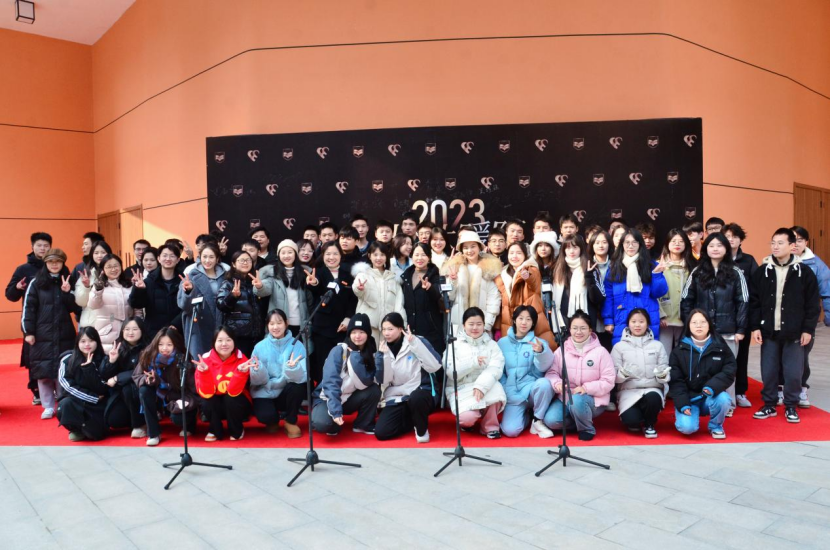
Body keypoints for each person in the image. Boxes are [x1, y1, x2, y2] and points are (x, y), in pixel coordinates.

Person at [750, 228, 820, 424]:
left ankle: (791, 406)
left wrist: (808, 329)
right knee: (769, 370)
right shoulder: (762, 271)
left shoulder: (804, 272)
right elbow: (754, 302)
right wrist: (755, 327)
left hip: (794, 331)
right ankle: (769, 404)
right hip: (769, 331)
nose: (775, 246)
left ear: (792, 246)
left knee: (793, 372)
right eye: (773, 242)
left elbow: (812, 304)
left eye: (780, 243)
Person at [680, 233, 748, 415]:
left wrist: (741, 329)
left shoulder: (736, 272)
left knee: (728, 369)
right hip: (702, 332)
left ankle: (728, 405)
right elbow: (686, 300)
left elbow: (743, 301)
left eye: (719, 245)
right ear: (706, 249)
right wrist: (690, 326)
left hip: (728, 330)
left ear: (726, 248)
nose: (715, 249)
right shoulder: (697, 272)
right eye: (711, 245)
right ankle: (704, 403)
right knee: (703, 367)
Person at [22, 248, 77, 420]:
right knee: (43, 371)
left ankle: (61, 403)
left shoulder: (68, 280)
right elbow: (28, 308)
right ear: (45, 263)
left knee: (62, 370)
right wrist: (28, 332)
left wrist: (67, 293)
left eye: (58, 261)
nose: (54, 265)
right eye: (51, 262)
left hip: (64, 333)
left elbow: (74, 308)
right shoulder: (36, 282)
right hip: (42, 334)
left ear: (63, 263)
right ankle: (47, 406)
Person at [543, 310, 615, 440]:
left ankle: (587, 428)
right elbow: (551, 372)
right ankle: (579, 420)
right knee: (551, 421)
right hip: (566, 398)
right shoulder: (561, 350)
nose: (578, 332)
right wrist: (557, 383)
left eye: (583, 328)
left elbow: (608, 380)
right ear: (570, 330)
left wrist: (586, 388)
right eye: (575, 328)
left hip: (592, 399)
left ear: (590, 330)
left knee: (576, 399)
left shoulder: (601, 352)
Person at [374, 313, 443, 442]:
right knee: (382, 432)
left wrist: (414, 344)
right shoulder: (383, 348)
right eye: (384, 329)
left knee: (416, 398)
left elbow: (435, 366)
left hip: (421, 391)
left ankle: (422, 431)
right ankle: (413, 420)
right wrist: (383, 357)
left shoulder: (416, 341)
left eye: (390, 329)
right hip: (397, 395)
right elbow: (384, 380)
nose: (386, 333)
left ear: (400, 329)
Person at [668, 309, 735, 439]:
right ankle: (684, 414)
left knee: (724, 399)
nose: (699, 326)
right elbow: (676, 380)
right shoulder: (679, 350)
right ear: (688, 325)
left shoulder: (720, 347)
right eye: (694, 322)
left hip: (710, 396)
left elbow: (729, 370)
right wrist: (682, 403)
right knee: (687, 428)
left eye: (703, 322)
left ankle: (715, 426)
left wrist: (712, 387)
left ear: (709, 324)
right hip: (689, 399)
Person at [311, 313, 381, 435]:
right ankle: (332, 422)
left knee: (374, 390)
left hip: (349, 398)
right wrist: (335, 411)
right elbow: (330, 382)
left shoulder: (371, 353)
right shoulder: (339, 351)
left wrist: (380, 357)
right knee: (322, 424)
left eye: (362, 332)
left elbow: (368, 382)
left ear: (368, 334)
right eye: (354, 332)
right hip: (328, 398)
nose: (357, 336)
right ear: (349, 334)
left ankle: (363, 424)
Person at [444, 307, 506, 439]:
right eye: (471, 324)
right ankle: (471, 420)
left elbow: (496, 368)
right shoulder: (454, 345)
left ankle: (490, 426)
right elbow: (450, 371)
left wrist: (481, 386)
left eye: (479, 324)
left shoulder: (492, 345)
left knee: (496, 392)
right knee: (466, 419)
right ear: (464, 325)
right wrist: (472, 363)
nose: (475, 328)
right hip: (462, 387)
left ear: (484, 325)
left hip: (486, 385)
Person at [6, 231, 53, 404]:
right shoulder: (23, 270)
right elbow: (10, 295)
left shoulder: (56, 265)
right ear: (32, 247)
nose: (42, 248)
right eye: (39, 245)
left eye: (46, 246)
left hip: (53, 317)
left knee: (53, 353)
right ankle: (36, 390)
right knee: (35, 356)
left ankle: (54, 388)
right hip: (32, 319)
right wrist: (17, 288)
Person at [601, 229, 669, 345]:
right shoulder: (614, 267)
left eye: (634, 242)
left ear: (640, 244)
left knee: (648, 353)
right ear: (622, 245)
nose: (630, 246)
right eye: (627, 242)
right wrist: (608, 320)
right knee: (623, 353)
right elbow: (609, 297)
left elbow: (658, 292)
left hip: (647, 317)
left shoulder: (651, 265)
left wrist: (657, 275)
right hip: (622, 317)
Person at [611, 309, 670, 438]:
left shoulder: (658, 345)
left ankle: (650, 424)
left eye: (641, 322)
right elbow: (613, 377)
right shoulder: (619, 347)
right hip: (628, 391)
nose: (637, 325)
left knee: (653, 398)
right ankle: (633, 417)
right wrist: (622, 375)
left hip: (652, 388)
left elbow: (664, 369)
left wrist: (663, 375)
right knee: (632, 422)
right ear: (628, 324)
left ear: (648, 324)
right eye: (634, 322)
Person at [133, 326, 196, 446]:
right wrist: (148, 379)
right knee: (144, 391)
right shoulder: (148, 356)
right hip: (158, 396)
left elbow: (192, 388)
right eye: (161, 344)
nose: (164, 348)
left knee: (178, 419)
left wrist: (186, 401)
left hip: (178, 397)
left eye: (169, 344)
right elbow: (136, 376)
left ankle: (190, 425)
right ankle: (153, 433)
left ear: (176, 345)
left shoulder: (183, 358)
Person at [497, 306, 555, 438]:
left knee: (544, 384)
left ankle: (537, 419)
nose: (524, 322)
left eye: (528, 319)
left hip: (532, 390)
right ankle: (527, 416)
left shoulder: (539, 343)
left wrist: (540, 352)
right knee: (510, 431)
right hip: (512, 393)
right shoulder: (502, 343)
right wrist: (506, 389)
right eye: (521, 318)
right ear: (514, 320)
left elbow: (545, 368)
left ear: (533, 323)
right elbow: (499, 371)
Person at [250, 309, 307, 437]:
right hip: (264, 391)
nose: (275, 327)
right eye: (271, 324)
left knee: (298, 387)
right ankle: (272, 419)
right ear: (267, 326)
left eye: (279, 323)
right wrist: (258, 370)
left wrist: (293, 368)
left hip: (285, 392)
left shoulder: (297, 345)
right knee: (266, 417)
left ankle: (290, 421)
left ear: (286, 323)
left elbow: (302, 377)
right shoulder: (259, 347)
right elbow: (255, 381)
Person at [307, 242, 358, 384]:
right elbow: (315, 287)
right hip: (323, 328)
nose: (331, 257)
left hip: (343, 327)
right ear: (322, 255)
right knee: (322, 363)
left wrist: (348, 318)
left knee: (343, 364)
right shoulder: (318, 272)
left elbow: (353, 299)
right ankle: (322, 392)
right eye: (328, 254)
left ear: (341, 255)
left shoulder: (348, 273)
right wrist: (314, 282)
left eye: (335, 253)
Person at [791, 225, 830, 408]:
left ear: (806, 242)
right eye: (792, 240)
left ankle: (802, 388)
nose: (795, 244)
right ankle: (781, 388)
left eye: (799, 240)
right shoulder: (777, 261)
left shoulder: (816, 265)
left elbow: (827, 292)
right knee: (780, 354)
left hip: (805, 319)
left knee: (802, 354)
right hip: (781, 317)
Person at [194, 326, 253, 441]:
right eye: (220, 340)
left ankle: (237, 429)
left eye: (228, 340)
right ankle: (215, 429)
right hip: (215, 402)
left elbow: (234, 391)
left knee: (230, 398)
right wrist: (204, 373)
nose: (224, 344)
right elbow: (205, 393)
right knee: (208, 401)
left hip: (236, 401)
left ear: (234, 342)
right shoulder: (205, 360)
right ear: (214, 343)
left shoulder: (242, 359)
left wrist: (240, 373)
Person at [440, 229, 502, 333]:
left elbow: (494, 299)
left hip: (481, 327)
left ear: (479, 247)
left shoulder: (489, 269)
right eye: (465, 248)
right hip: (458, 326)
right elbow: (449, 297)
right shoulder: (455, 268)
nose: (469, 250)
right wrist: (453, 280)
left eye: (473, 246)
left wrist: (486, 324)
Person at [724, 222, 758, 408]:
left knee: (742, 356)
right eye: (727, 236)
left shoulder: (748, 261)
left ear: (740, 240)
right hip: (722, 318)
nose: (731, 240)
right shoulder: (716, 258)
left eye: (735, 236)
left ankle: (740, 392)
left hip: (742, 317)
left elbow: (755, 290)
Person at [495, 241, 555, 347]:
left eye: (519, 253)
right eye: (511, 253)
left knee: (537, 350)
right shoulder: (503, 274)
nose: (514, 256)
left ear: (525, 255)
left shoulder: (531, 268)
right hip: (509, 321)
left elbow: (534, 281)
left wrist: (528, 277)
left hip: (529, 320)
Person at [56, 327, 109, 441]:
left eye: (91, 340)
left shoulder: (105, 359)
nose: (87, 344)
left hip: (99, 404)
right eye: (83, 341)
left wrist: (89, 369)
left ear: (97, 342)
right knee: (65, 404)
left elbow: (104, 387)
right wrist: (92, 397)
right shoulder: (67, 359)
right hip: (79, 400)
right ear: (77, 343)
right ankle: (76, 429)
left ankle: (88, 428)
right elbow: (68, 385)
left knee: (96, 435)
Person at [549, 235, 604, 339]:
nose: (571, 251)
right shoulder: (558, 269)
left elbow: (598, 299)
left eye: (575, 247)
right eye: (568, 248)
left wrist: (589, 277)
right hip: (564, 323)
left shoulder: (590, 267)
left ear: (581, 249)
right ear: (563, 250)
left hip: (586, 322)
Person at [100, 317, 148, 437]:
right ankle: (133, 419)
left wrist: (118, 378)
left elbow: (142, 371)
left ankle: (139, 425)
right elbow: (105, 376)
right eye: (127, 329)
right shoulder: (118, 347)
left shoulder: (148, 348)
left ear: (142, 330)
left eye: (135, 329)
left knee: (128, 388)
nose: (130, 332)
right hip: (121, 392)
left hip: (142, 387)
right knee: (114, 420)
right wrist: (111, 361)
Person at [255, 240, 313, 337]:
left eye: (290, 252)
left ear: (295, 254)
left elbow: (311, 299)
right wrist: (260, 286)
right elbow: (265, 289)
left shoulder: (305, 273)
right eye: (283, 253)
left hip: (301, 323)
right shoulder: (272, 272)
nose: (286, 256)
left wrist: (314, 283)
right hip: (279, 323)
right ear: (279, 255)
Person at [177, 243, 226, 358]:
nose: (207, 260)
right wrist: (189, 291)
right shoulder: (190, 276)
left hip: (220, 324)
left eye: (211, 257)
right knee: (200, 360)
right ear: (200, 257)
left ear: (217, 258)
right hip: (198, 325)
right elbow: (183, 305)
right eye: (204, 257)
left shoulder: (225, 276)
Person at [352, 241, 406, 344]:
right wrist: (359, 288)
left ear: (387, 257)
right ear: (369, 256)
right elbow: (357, 291)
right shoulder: (363, 275)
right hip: (368, 326)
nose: (378, 258)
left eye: (382, 255)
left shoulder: (394, 278)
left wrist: (401, 324)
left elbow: (399, 304)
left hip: (389, 329)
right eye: (375, 254)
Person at [129, 243, 183, 336]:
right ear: (159, 258)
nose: (168, 259)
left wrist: (176, 324)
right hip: (153, 333)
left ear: (178, 260)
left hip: (177, 331)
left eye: (172, 256)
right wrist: (138, 289)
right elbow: (136, 304)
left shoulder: (183, 281)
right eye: (164, 255)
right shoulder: (149, 281)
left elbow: (187, 308)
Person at [216, 251, 263, 357]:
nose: (245, 263)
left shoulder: (255, 281)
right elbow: (221, 305)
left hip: (256, 333)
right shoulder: (228, 283)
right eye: (241, 260)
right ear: (233, 264)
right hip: (238, 334)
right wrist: (233, 296)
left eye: (248, 260)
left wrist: (260, 288)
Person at [401, 243, 445, 354]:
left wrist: (429, 288)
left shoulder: (435, 275)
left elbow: (438, 296)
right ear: (411, 256)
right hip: (410, 329)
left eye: (423, 255)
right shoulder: (406, 276)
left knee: (433, 359)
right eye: (416, 255)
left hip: (431, 329)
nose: (419, 258)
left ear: (429, 257)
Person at [657, 229, 695, 355]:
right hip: (665, 319)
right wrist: (660, 315)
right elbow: (653, 292)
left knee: (684, 354)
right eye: (673, 241)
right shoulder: (658, 265)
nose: (677, 244)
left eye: (681, 241)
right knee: (664, 354)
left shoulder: (692, 266)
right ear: (667, 243)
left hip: (685, 318)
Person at [87, 254, 133, 353]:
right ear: (103, 269)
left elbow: (136, 309)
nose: (113, 269)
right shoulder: (99, 285)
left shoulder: (129, 285)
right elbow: (93, 305)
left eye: (116, 266)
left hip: (129, 332)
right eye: (109, 267)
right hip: (106, 333)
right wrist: (98, 290)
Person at [75, 240, 113, 328]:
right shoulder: (86, 274)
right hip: (90, 323)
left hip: (110, 323)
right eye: (96, 253)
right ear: (92, 255)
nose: (99, 255)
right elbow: (81, 302)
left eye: (103, 252)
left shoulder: (114, 272)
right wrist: (86, 287)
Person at [588, 230, 614, 350]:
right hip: (593, 314)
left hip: (612, 315)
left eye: (604, 242)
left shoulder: (616, 264)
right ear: (592, 245)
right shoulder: (587, 264)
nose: (601, 245)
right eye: (597, 242)